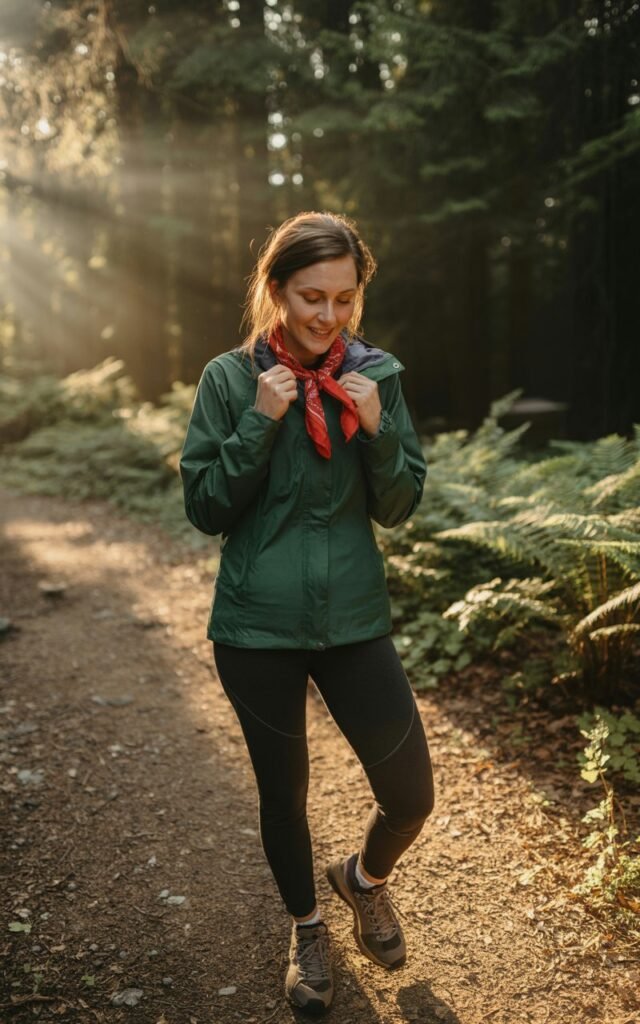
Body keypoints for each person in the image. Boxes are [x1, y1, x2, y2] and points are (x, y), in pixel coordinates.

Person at [179, 211, 435, 1015]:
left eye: (343, 299)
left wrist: (378, 428)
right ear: (276, 290)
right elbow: (207, 507)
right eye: (309, 297)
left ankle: (362, 880)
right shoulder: (229, 380)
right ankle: (307, 928)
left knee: (411, 794)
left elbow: (399, 506)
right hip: (256, 629)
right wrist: (260, 420)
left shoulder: (377, 375)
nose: (326, 316)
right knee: (283, 795)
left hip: (355, 620)